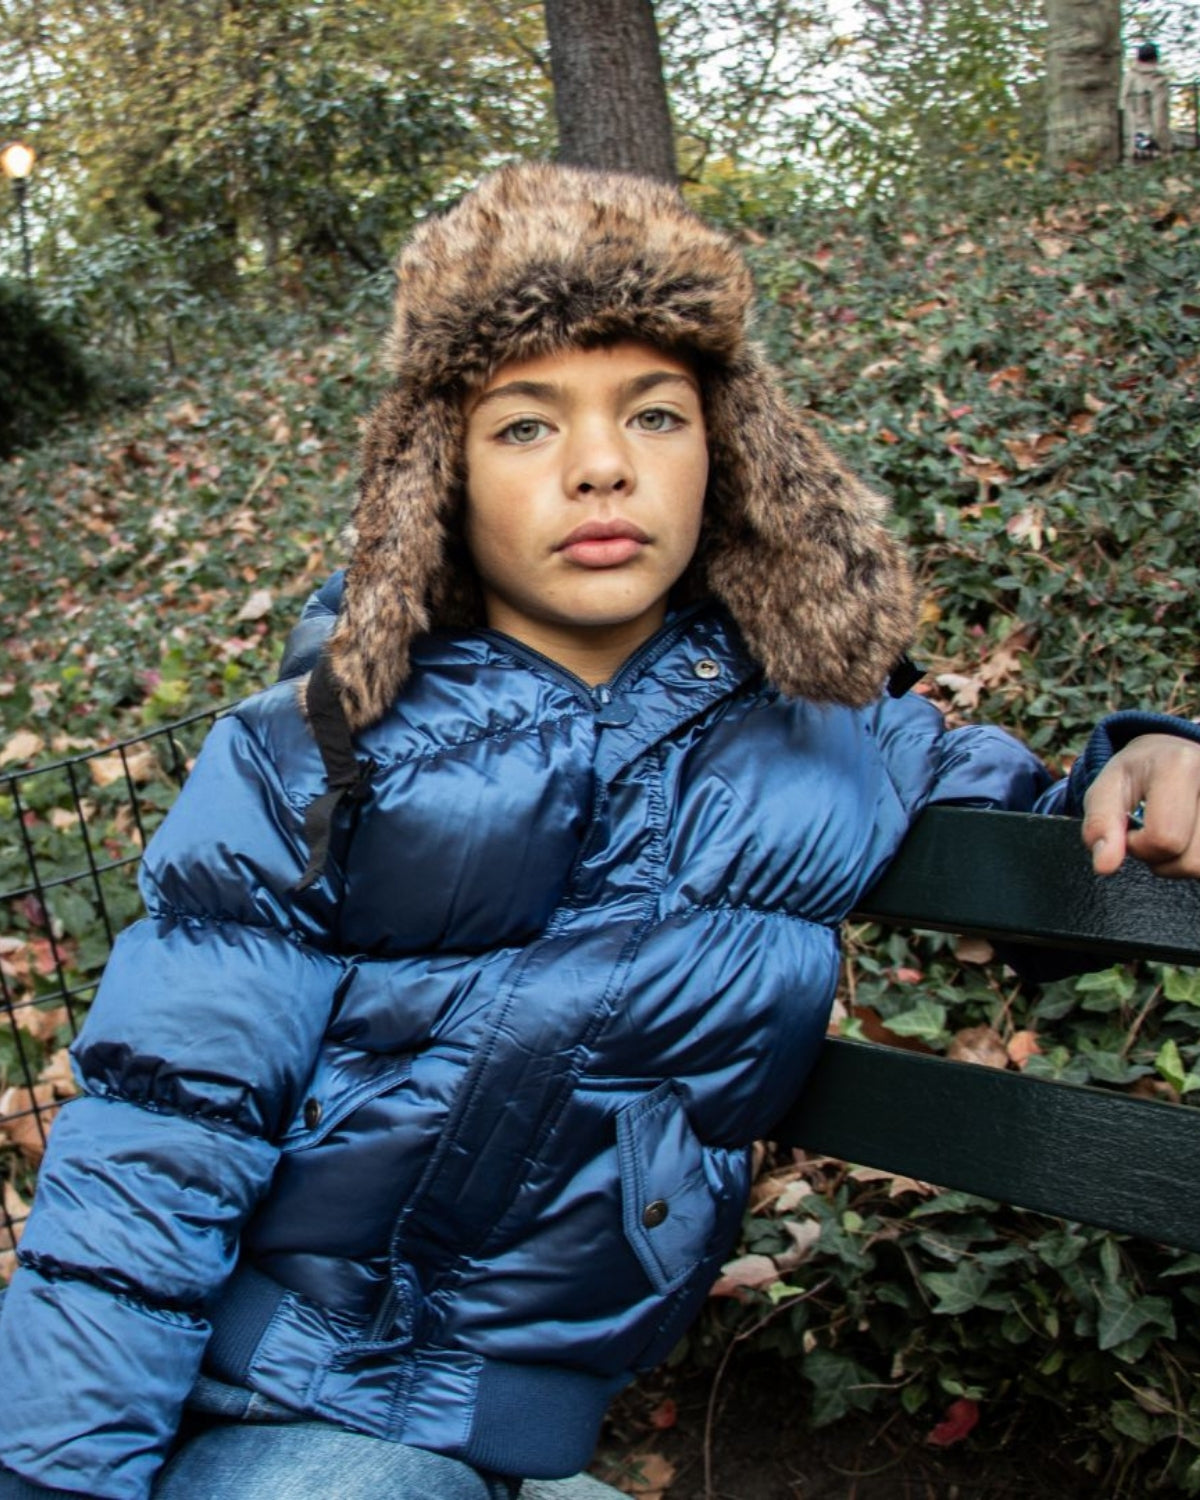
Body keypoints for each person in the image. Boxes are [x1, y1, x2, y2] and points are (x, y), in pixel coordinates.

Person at [1, 163, 1199, 1500]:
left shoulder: (833, 727)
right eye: (525, 425)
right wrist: (59, 1477)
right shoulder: (321, 747)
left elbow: (1035, 827)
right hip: (259, 1378)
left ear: (729, 449)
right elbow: (164, 1130)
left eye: (656, 413)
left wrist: (1148, 757)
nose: (602, 464)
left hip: (468, 1428)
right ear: (439, 472)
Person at [1122, 42, 1172, 161]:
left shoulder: (1128, 77)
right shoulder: (1158, 80)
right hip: (1150, 142)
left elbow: (1122, 106)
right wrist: (1165, 147)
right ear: (1155, 59)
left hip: (1129, 140)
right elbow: (1159, 116)